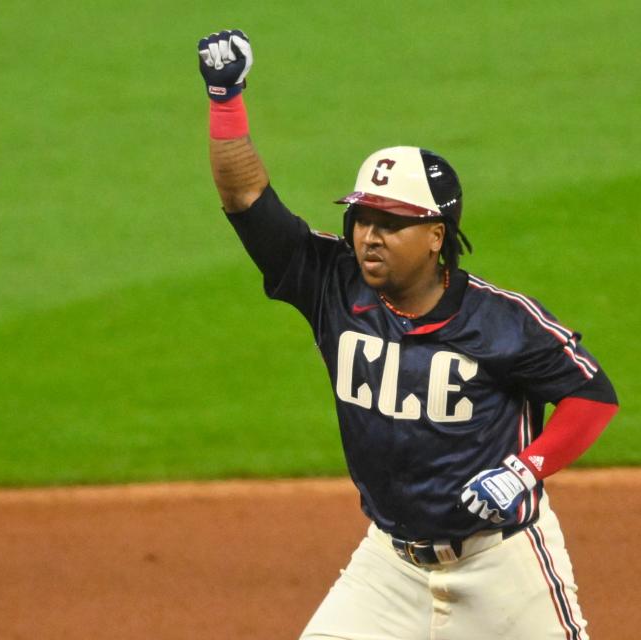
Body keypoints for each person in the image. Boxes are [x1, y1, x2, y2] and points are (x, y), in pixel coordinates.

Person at [197, 29, 619, 640]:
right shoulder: (329, 283)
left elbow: (592, 396)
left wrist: (527, 470)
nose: (369, 235)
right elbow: (243, 195)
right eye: (362, 217)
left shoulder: (501, 321)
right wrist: (224, 98)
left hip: (500, 566)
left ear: (436, 236)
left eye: (391, 223)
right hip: (389, 566)